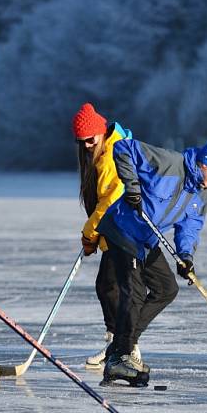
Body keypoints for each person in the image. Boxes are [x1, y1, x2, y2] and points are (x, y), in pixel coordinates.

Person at [96, 126, 207, 386]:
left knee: (166, 288)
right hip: (124, 229)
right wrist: (133, 187)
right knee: (134, 291)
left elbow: (191, 225)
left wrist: (185, 256)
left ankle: (120, 349)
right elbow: (123, 148)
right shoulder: (169, 163)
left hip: (147, 239)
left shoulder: (201, 191)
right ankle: (121, 356)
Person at [70, 103, 140, 371]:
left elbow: (109, 201)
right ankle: (117, 345)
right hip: (114, 231)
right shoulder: (101, 152)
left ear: (101, 133)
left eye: (90, 139)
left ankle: (125, 348)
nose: (87, 145)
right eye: (82, 141)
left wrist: (90, 233)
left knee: (115, 288)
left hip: (125, 231)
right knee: (108, 287)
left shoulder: (112, 154)